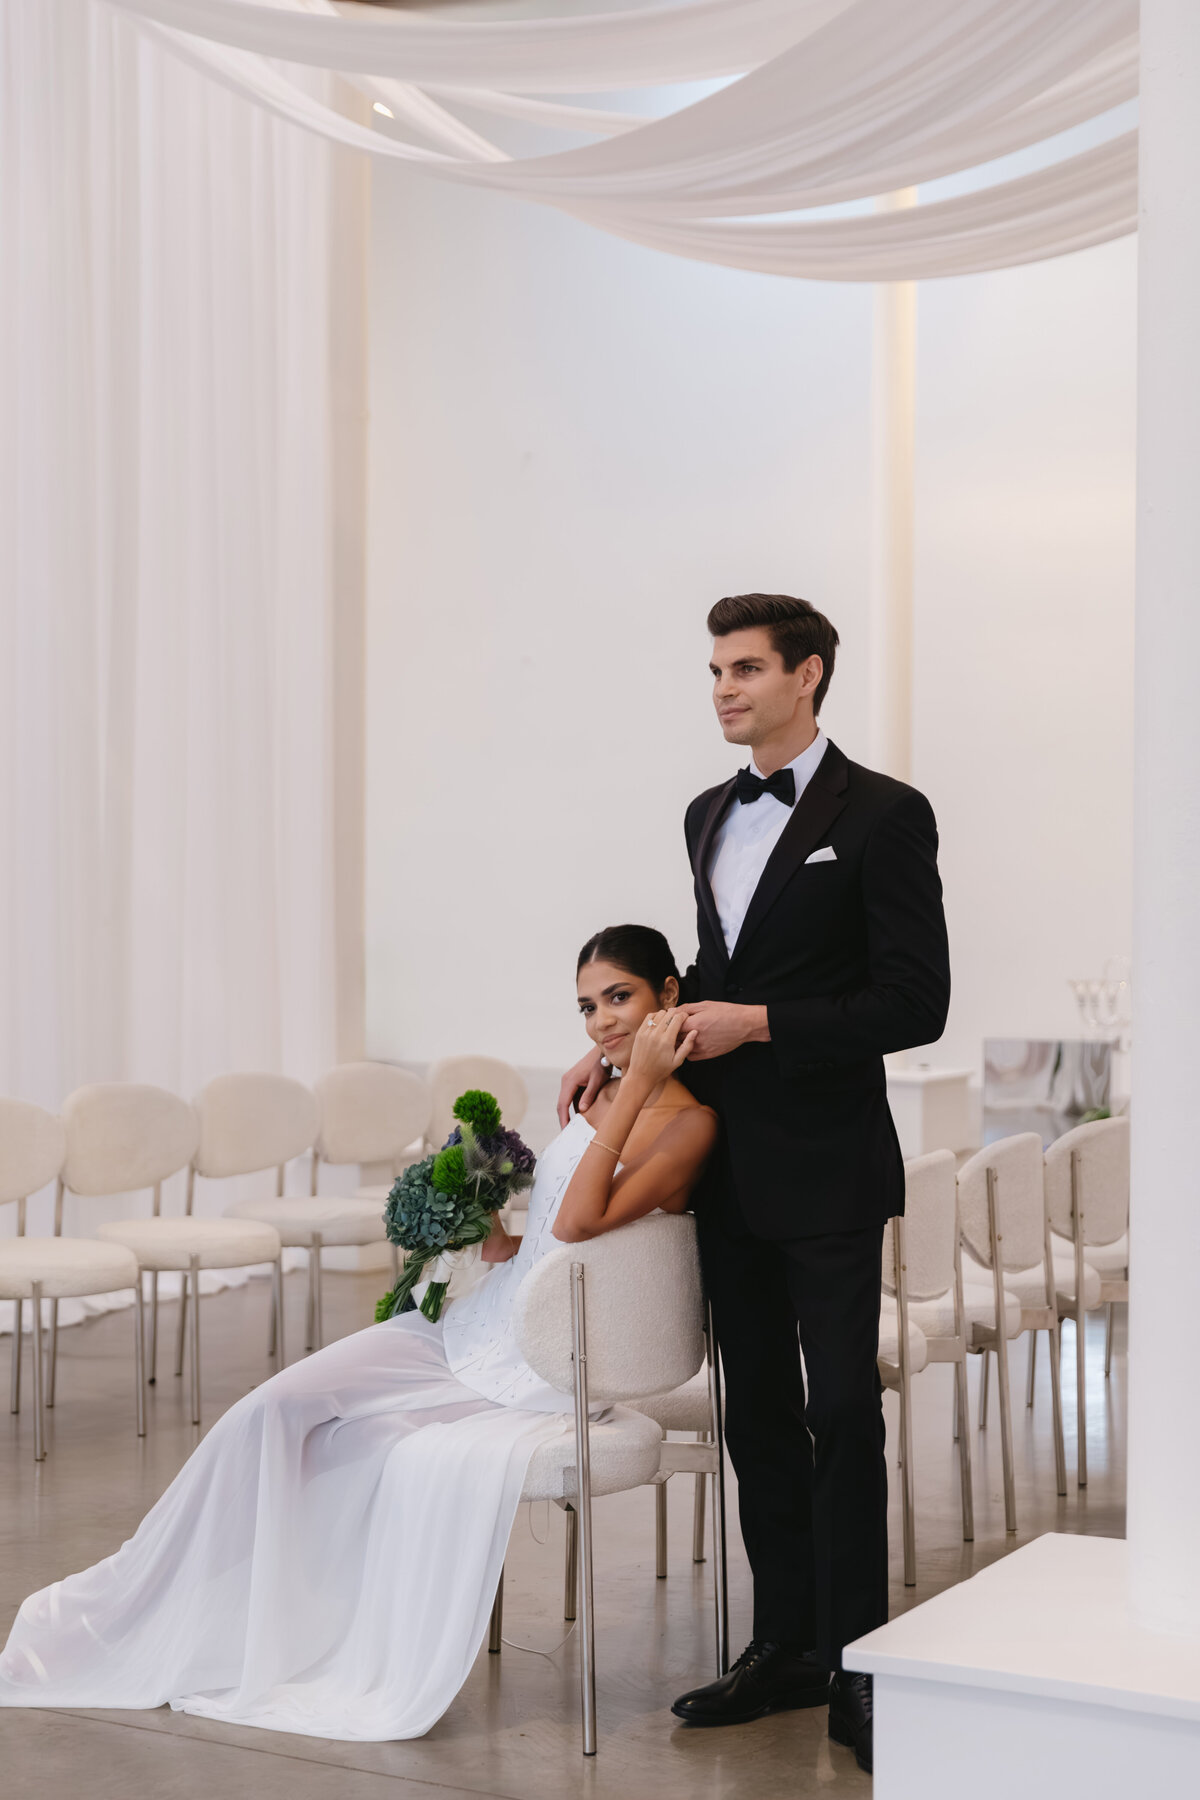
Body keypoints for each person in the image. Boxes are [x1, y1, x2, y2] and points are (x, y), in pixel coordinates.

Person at [0, 926, 715, 1742]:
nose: (599, 1023)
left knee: (345, 1454)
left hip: (540, 1359)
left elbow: (586, 1223)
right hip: (476, 1324)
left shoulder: (685, 1127)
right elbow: (541, 1239)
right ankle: (134, 1610)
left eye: (619, 998)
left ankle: (257, 1635)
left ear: (668, 992)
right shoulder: (595, 1096)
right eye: (587, 1007)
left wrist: (633, 1087)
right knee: (266, 1416)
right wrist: (479, 1215)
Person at [558, 593, 950, 1776]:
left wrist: (764, 1023)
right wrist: (622, 1042)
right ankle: (781, 1644)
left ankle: (859, 1661)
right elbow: (705, 977)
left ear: (808, 675)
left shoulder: (883, 814)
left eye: (744, 668)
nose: (723, 688)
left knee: (841, 1409)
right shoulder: (704, 815)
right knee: (760, 1419)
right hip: (726, 1165)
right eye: (715, 670)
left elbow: (914, 1004)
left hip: (829, 1164)